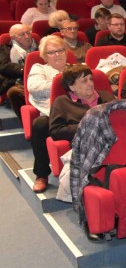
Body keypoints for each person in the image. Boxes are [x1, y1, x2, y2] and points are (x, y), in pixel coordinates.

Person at [27, 36, 69, 193]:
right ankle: (41, 174)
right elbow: (35, 87)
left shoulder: (77, 67)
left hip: (75, 113)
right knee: (39, 124)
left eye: (60, 50)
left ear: (66, 52)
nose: (57, 55)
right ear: (44, 56)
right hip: (51, 115)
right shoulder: (39, 68)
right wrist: (62, 81)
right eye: (51, 52)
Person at [49, 64, 116, 142]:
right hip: (84, 144)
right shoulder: (62, 102)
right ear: (72, 86)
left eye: (91, 79)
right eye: (85, 81)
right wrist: (86, 126)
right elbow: (55, 132)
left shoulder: (106, 96)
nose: (91, 83)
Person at [1, 24, 38, 116]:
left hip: (39, 79)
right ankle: (27, 121)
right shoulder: (5, 49)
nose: (27, 37)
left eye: (28, 33)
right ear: (13, 37)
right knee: (14, 92)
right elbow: (4, 66)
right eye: (21, 34)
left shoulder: (41, 46)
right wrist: (26, 71)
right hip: (17, 81)